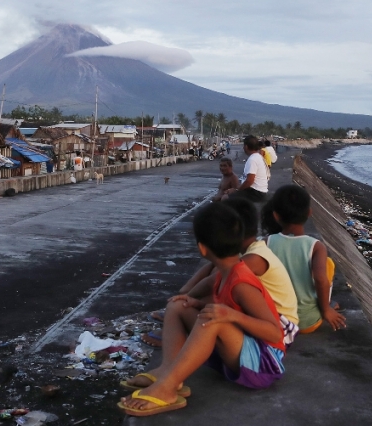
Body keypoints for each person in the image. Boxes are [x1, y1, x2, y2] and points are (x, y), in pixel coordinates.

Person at [119, 203, 286, 417]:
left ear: (202, 249)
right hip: (241, 351)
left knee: (213, 319)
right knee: (179, 305)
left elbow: (274, 332)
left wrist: (232, 315)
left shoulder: (242, 283)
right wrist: (194, 302)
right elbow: (195, 293)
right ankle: (168, 372)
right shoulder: (222, 274)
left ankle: (167, 389)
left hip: (264, 363)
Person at [264, 185, 346, 333]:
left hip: (274, 320)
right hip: (307, 323)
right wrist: (326, 310)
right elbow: (321, 279)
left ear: (275, 216)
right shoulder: (315, 246)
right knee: (328, 264)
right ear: (309, 213)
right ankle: (326, 304)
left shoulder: (266, 242)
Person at [231, 135, 268, 202]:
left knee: (226, 197)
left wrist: (237, 190)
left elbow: (249, 181)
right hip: (259, 191)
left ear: (246, 147)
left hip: (256, 192)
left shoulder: (252, 159)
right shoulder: (258, 157)